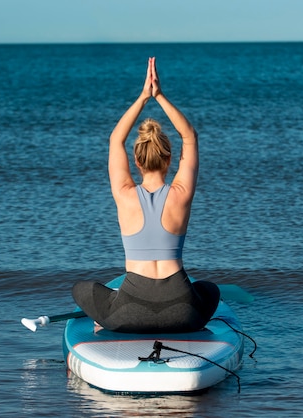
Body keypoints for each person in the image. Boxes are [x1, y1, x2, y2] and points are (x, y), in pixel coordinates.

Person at [72, 57, 220, 333]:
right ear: (169, 159)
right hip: (183, 312)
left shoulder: (124, 194)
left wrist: (143, 98)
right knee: (209, 289)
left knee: (83, 289)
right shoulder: (181, 193)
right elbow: (190, 136)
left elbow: (116, 139)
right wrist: (160, 96)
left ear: (136, 161)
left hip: (129, 311)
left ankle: (102, 322)